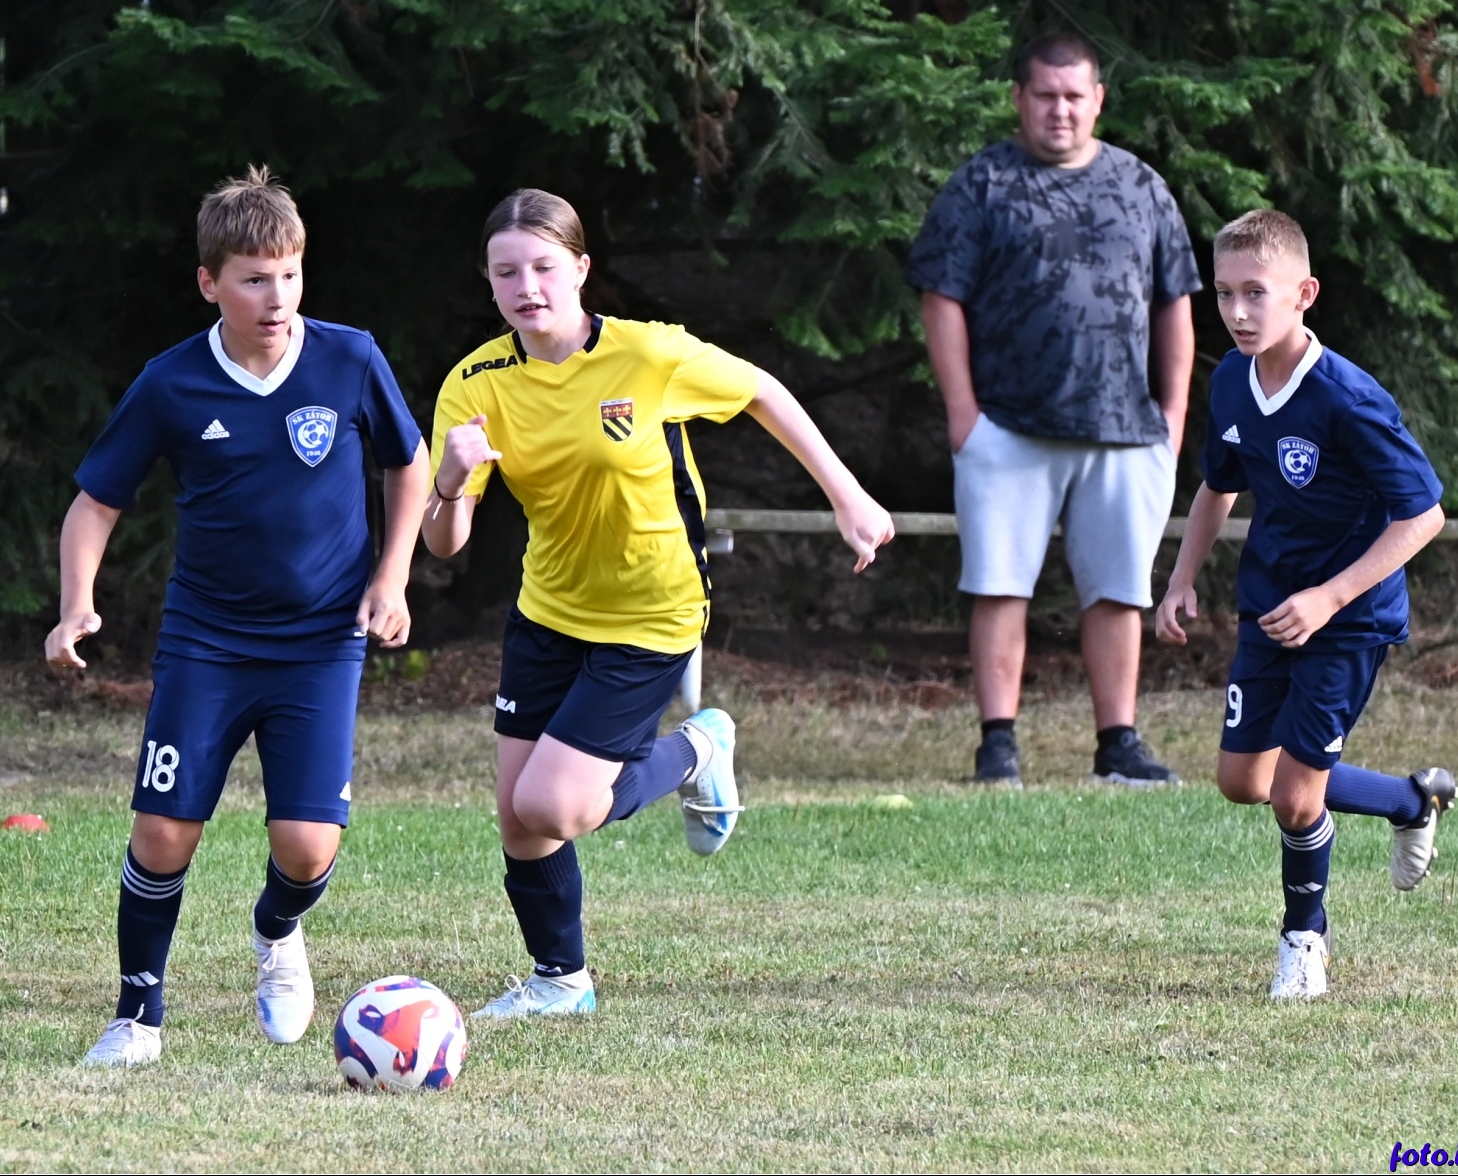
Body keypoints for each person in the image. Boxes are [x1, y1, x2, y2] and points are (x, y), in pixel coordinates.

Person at [424, 188, 895, 1019]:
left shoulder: (648, 354)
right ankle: (560, 981)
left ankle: (695, 750)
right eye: (507, 272)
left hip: (652, 612)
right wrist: (454, 482)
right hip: (548, 610)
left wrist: (847, 495)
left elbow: (762, 390)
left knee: (553, 805)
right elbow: (444, 543)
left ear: (580, 268)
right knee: (518, 817)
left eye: (544, 267)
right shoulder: (474, 383)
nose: (527, 287)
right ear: (488, 281)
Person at [46, 167, 431, 1066]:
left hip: (322, 643)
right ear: (209, 283)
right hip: (208, 642)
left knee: (306, 845)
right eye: (255, 279)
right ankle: (137, 1016)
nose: (278, 297)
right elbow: (95, 503)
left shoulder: (349, 358)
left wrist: (392, 578)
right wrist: (75, 606)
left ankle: (278, 929)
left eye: (290, 274)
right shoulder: (171, 382)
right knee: (163, 831)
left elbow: (409, 464)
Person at [1155, 208, 1458, 1000]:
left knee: (1294, 798)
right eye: (1225, 293)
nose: (1238, 311)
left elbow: (1423, 515)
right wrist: (1181, 578)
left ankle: (1304, 941)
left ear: (1304, 294)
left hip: (1348, 617)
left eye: (1256, 292)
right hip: (1270, 605)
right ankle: (1409, 799)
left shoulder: (1347, 398)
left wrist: (1330, 595)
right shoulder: (1232, 379)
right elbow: (1219, 485)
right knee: (1241, 780)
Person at [906, 31, 1201, 788]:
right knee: (1000, 586)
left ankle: (1118, 745)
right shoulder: (981, 185)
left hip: (1125, 428)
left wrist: (1173, 416)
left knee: (1119, 592)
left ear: (1098, 100)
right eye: (1045, 95)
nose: (1060, 111)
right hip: (1006, 426)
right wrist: (963, 413)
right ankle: (997, 745)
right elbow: (941, 296)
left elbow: (1175, 301)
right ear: (1020, 99)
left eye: (1074, 96)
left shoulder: (1142, 186)